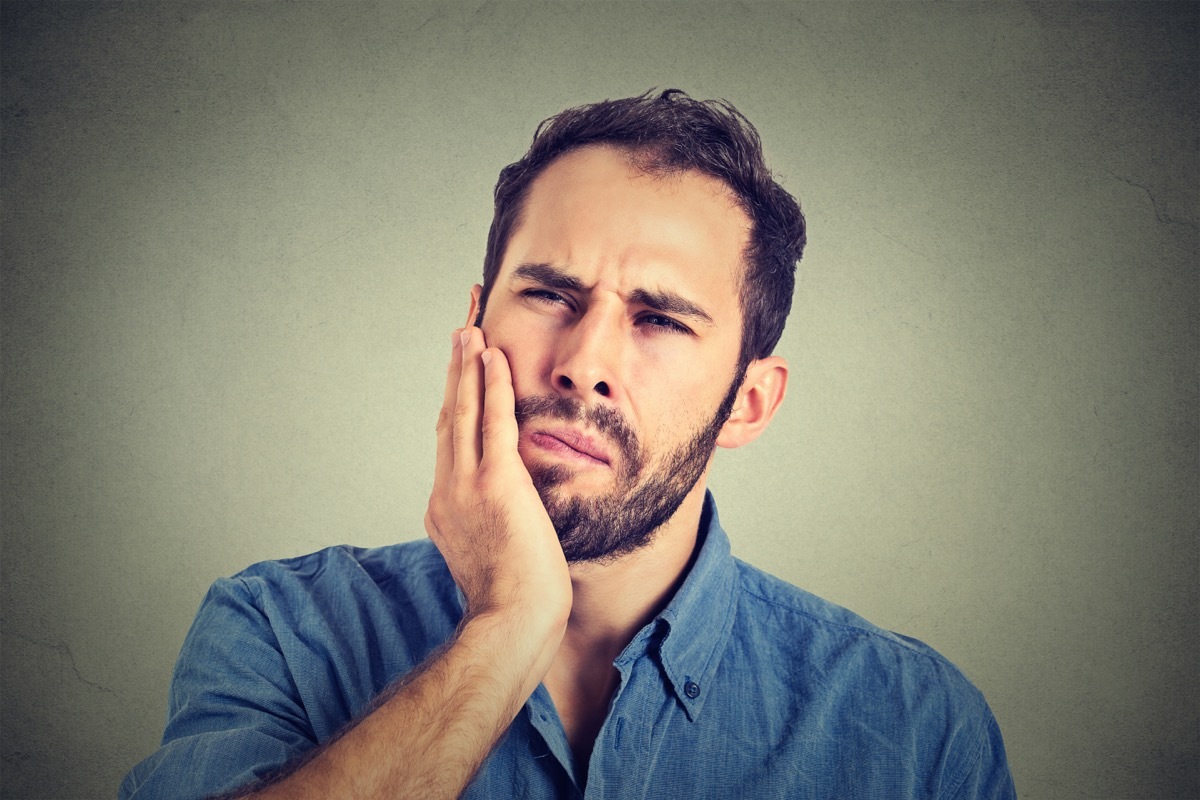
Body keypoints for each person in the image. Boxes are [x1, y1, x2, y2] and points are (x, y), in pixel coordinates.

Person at [121, 90, 1015, 799]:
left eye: (660, 319)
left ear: (747, 403)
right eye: (550, 296)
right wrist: (506, 629)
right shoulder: (279, 630)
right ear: (474, 325)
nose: (584, 365)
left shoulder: (913, 727)